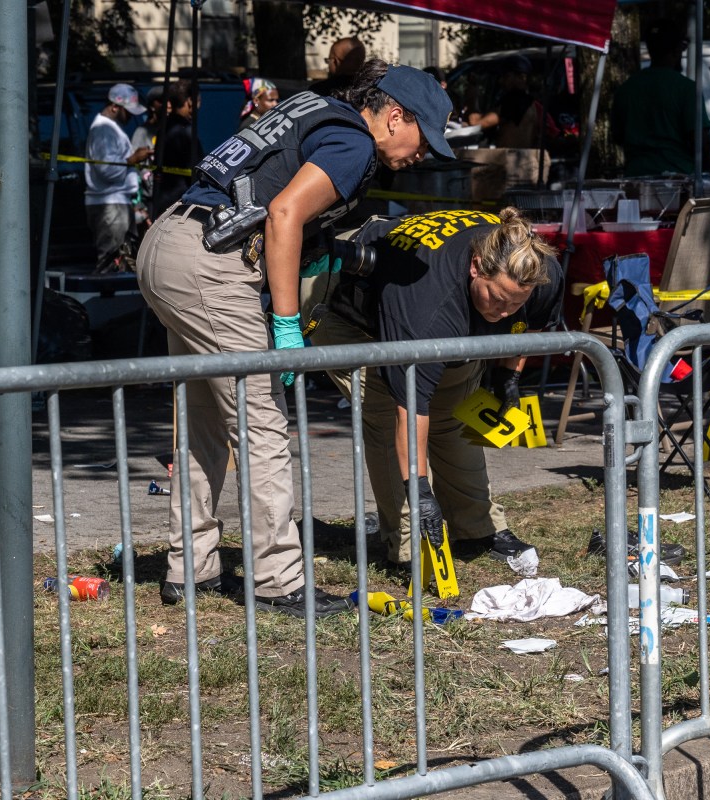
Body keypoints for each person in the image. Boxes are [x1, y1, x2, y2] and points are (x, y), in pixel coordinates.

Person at [134, 61, 454, 616]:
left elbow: (273, 198)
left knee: (203, 418)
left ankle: (191, 569)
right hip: (213, 261)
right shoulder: (354, 145)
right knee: (260, 421)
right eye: (425, 138)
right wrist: (286, 326)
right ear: (395, 117)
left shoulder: (311, 108)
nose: (424, 154)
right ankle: (278, 580)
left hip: (170, 238)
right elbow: (284, 214)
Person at [310, 208, 561, 566]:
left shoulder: (538, 272)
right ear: (477, 267)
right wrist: (421, 491)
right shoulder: (427, 306)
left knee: (454, 418)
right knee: (384, 417)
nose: (505, 312)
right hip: (346, 302)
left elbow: (530, 326)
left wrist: (510, 375)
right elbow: (410, 407)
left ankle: (478, 529)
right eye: (497, 299)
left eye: (515, 303)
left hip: (448, 315)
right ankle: (411, 544)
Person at [610, 18, 710, 176]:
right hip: (678, 182)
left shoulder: (626, 89)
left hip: (636, 180)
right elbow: (700, 142)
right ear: (677, 49)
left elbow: (617, 136)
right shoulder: (687, 89)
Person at [85, 83, 151, 273]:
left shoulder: (110, 129)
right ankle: (106, 298)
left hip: (116, 203)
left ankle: (113, 296)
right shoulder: (103, 131)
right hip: (109, 204)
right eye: (128, 111)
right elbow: (106, 170)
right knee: (111, 260)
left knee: (122, 258)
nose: (131, 116)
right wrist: (133, 159)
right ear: (115, 106)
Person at [468, 55, 554, 149]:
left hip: (507, 160)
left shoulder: (513, 101)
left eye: (507, 76)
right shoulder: (534, 105)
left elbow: (476, 123)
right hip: (526, 160)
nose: (501, 81)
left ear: (522, 77)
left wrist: (472, 90)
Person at [148, 80, 205, 220]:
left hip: (162, 203)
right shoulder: (184, 132)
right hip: (181, 206)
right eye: (198, 100)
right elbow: (197, 173)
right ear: (189, 101)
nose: (199, 106)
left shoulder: (163, 128)